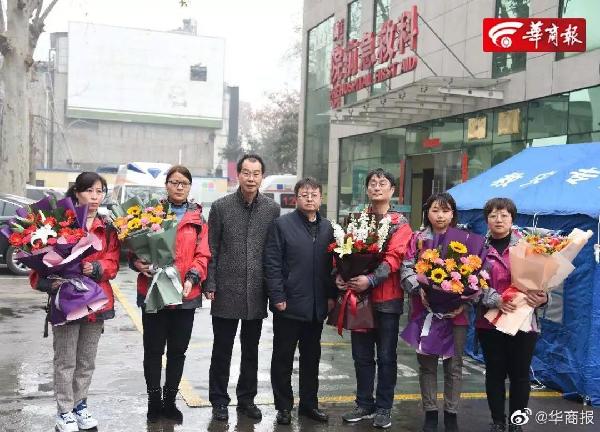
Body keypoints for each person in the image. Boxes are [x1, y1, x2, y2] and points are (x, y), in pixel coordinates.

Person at [30, 172, 120, 432]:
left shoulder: (107, 227)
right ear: (77, 193)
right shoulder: (60, 223)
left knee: (86, 361)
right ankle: (65, 411)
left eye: (99, 191)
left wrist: (96, 267)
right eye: (89, 191)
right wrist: (50, 281)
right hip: (67, 302)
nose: (94, 196)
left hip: (97, 302)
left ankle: (80, 405)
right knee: (65, 360)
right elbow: (39, 262)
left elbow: (113, 262)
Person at [132, 165, 210, 424]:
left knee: (177, 351)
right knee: (153, 351)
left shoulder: (198, 218)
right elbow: (134, 249)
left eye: (184, 183)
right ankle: (154, 402)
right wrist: (138, 263)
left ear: (189, 187)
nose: (179, 187)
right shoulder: (149, 214)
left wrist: (192, 277)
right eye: (174, 182)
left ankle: (170, 401)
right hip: (153, 292)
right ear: (166, 185)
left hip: (185, 295)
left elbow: (203, 255)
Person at [205, 154, 280, 421]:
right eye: (246, 173)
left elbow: (273, 252)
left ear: (262, 177)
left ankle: (246, 399)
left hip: (256, 291)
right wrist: (210, 282)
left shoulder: (272, 209)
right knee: (222, 349)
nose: (251, 178)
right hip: (226, 289)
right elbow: (212, 248)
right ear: (238, 175)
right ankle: (219, 400)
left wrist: (273, 289)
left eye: (256, 173)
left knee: (251, 349)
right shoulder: (221, 207)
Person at [338, 168, 412, 430]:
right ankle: (364, 403)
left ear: (392, 190)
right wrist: (341, 274)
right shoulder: (357, 220)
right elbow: (344, 250)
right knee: (361, 355)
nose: (376, 187)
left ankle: (384, 407)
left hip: (387, 299)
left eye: (382, 183)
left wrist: (369, 280)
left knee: (386, 356)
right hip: (359, 297)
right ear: (367, 189)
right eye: (372, 183)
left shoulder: (400, 223)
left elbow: (395, 258)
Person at [264, 177, 337, 425]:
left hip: (316, 307)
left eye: (314, 194)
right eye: (304, 194)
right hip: (288, 304)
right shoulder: (282, 225)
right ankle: (283, 406)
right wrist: (277, 296)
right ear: (296, 199)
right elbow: (272, 262)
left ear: (321, 198)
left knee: (311, 359)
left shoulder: (328, 228)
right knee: (283, 358)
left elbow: (331, 267)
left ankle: (309, 405)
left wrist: (331, 296)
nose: (309, 198)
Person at [476, 198, 548, 432]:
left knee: (520, 375)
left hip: (523, 321)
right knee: (494, 374)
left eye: (504, 215)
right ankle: (497, 421)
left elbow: (543, 282)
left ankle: (516, 423)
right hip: (490, 322)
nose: (499, 220)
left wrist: (543, 298)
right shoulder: (477, 248)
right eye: (493, 215)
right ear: (486, 219)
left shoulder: (529, 247)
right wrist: (495, 299)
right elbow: (469, 284)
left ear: (512, 219)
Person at [401, 192, 469, 432]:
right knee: (427, 365)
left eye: (446, 211)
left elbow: (478, 276)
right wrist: (418, 287)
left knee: (454, 366)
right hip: (425, 311)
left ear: (453, 214)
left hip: (456, 313)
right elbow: (406, 268)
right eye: (435, 210)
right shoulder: (417, 239)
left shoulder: (465, 240)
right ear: (427, 213)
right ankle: (430, 412)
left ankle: (451, 413)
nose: (440, 216)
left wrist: (465, 302)